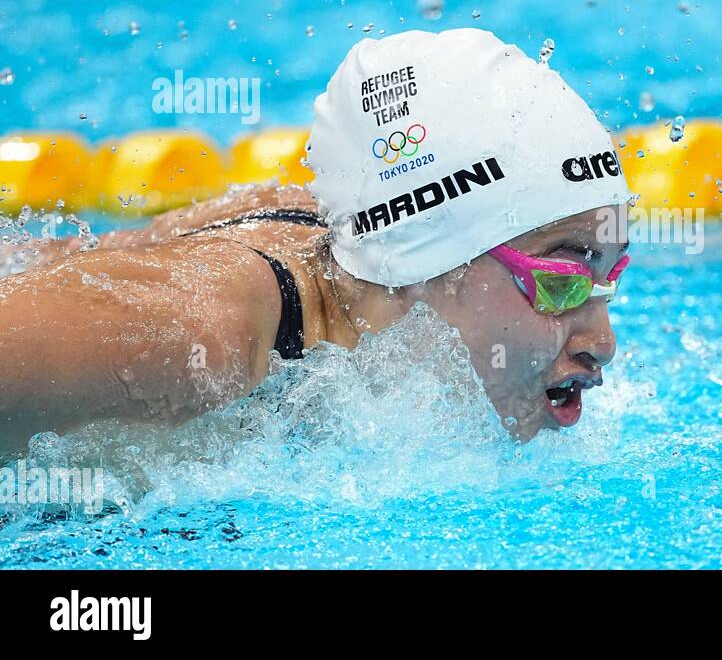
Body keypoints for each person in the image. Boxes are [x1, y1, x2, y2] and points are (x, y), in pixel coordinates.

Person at [0, 29, 634, 457]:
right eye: (562, 279)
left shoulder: (350, 239)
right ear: (425, 262)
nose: (603, 344)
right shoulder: (193, 339)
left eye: (608, 277)